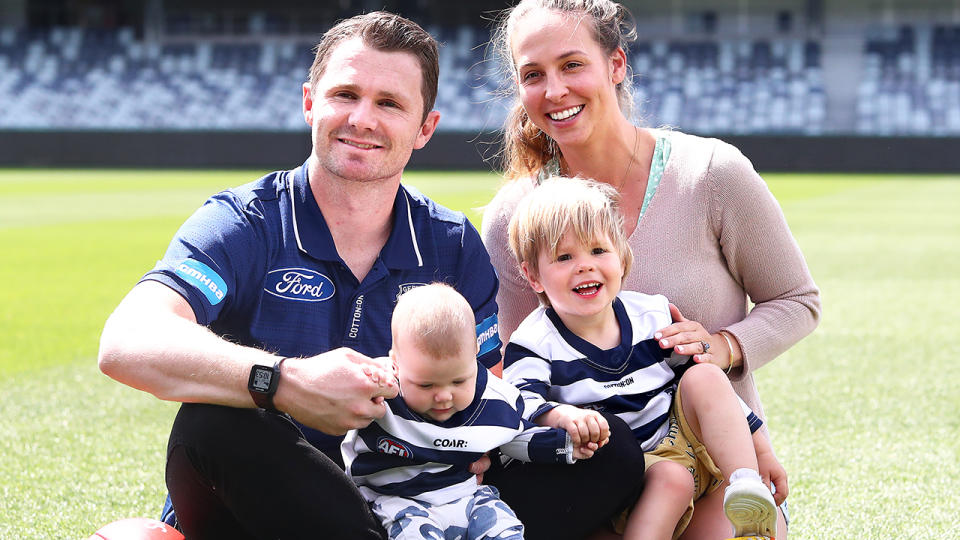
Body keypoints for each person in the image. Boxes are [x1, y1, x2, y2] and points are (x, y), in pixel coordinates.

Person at [96, 12, 505, 539]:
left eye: (389, 103)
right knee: (216, 422)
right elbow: (125, 341)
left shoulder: (449, 244)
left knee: (604, 459)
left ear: (425, 127)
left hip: (399, 506)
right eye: (345, 95)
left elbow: (488, 385)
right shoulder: (247, 221)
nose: (362, 118)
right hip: (251, 506)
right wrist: (285, 382)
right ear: (310, 102)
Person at [480, 1, 821, 538]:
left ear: (615, 65)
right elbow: (510, 366)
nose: (554, 91)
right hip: (590, 480)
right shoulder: (512, 217)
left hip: (706, 465)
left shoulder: (711, 174)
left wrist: (718, 346)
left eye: (572, 65)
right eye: (533, 75)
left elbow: (798, 301)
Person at [503, 176, 784, 539]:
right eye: (564, 256)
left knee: (704, 376)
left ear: (621, 257)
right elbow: (519, 403)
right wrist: (563, 415)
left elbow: (717, 395)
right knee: (672, 479)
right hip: (636, 476)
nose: (585, 266)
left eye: (598, 251)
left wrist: (762, 453)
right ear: (533, 275)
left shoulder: (652, 315)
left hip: (689, 444)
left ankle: (745, 482)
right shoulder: (535, 342)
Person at [342, 283, 605, 540]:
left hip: (467, 495)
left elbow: (514, 438)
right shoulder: (379, 394)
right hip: (398, 500)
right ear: (395, 364)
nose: (444, 396)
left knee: (504, 527)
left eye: (458, 381)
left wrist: (565, 446)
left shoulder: (494, 400)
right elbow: (341, 416)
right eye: (425, 384)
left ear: (474, 356)